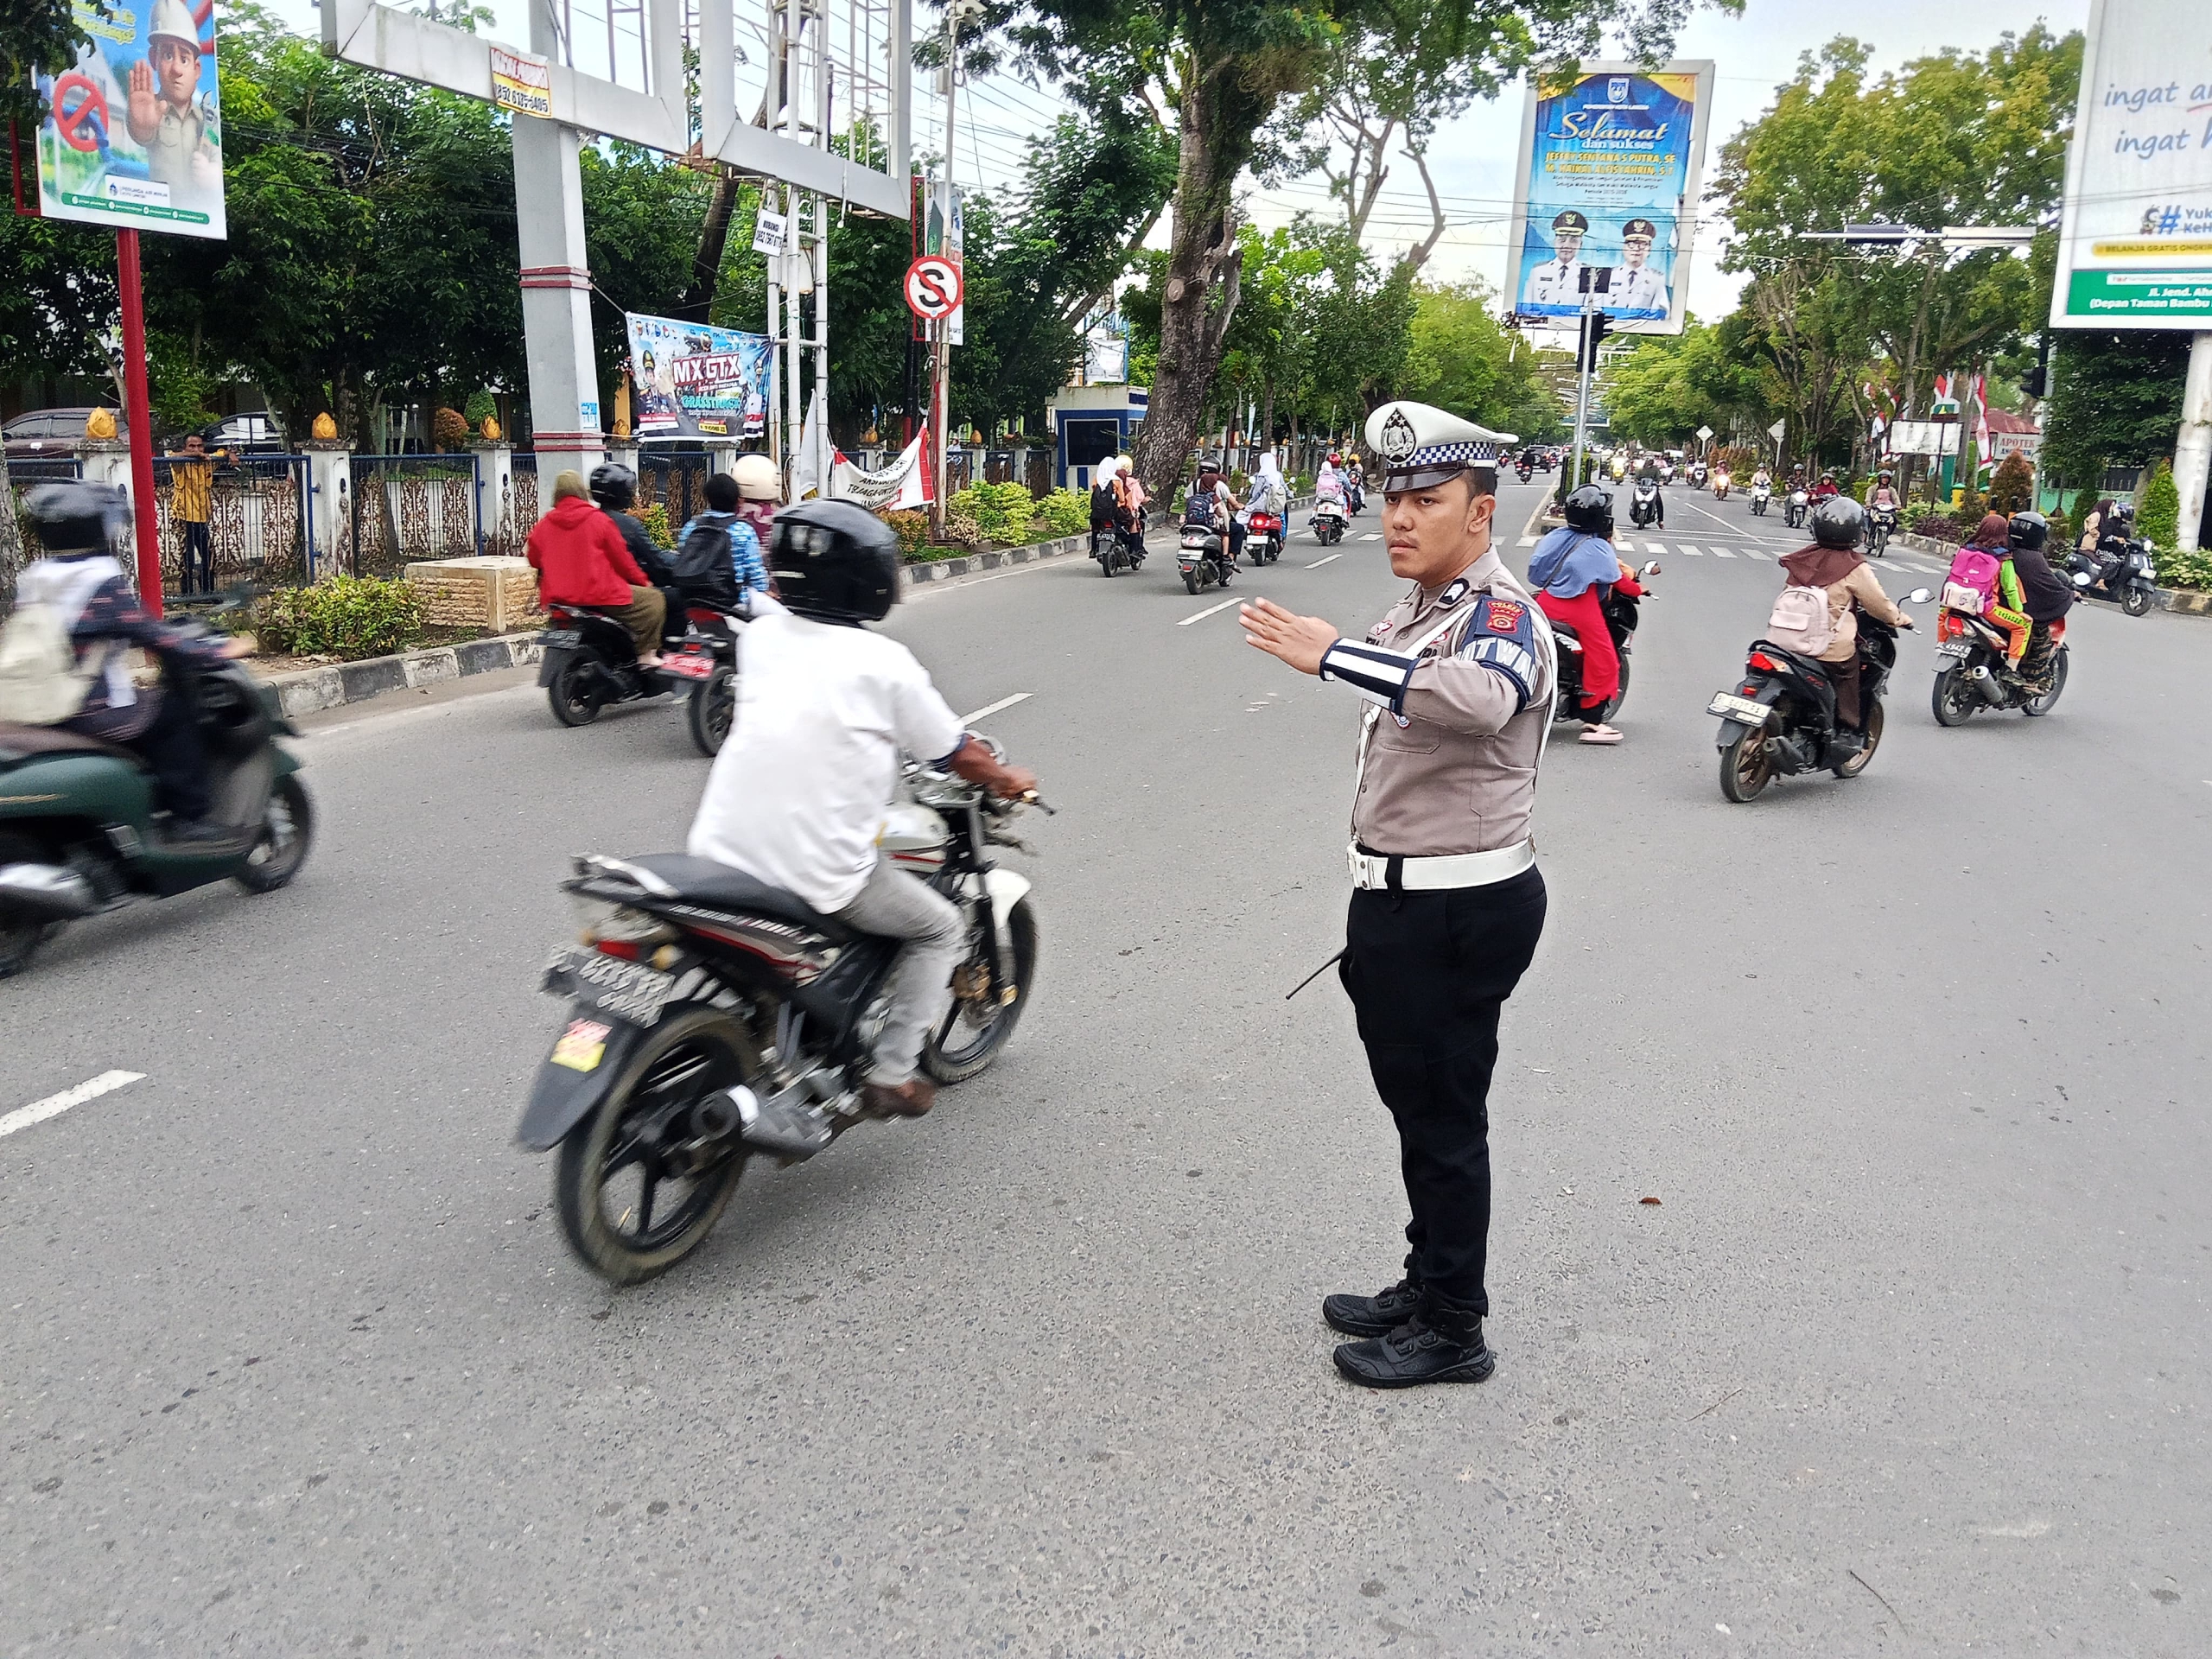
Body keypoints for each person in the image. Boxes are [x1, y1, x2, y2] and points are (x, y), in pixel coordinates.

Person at [1238, 401, 1555, 1389]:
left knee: (1445, 1121)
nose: (1401, 519)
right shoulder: (1420, 612)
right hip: (1397, 903)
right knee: (1415, 1109)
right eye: (1393, 500)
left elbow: (1478, 699)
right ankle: (1427, 1281)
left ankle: (1455, 1326)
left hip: (1459, 910)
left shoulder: (1502, 617)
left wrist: (1332, 654)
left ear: (1481, 515)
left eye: (1427, 500)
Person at [686, 500, 1037, 1119]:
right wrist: (1006, 778)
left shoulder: (764, 638)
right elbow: (957, 753)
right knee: (939, 928)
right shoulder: (883, 664)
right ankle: (893, 1071)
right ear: (869, 579)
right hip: (814, 869)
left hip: (719, 853)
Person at [9, 482, 246, 842]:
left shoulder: (35, 577)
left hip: (33, 702)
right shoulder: (99, 578)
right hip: (91, 707)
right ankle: (189, 819)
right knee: (174, 717)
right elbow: (152, 634)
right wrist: (216, 653)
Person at [1776, 495, 1912, 750]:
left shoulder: (1802, 558)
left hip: (1781, 640)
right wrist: (1900, 619)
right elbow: (1879, 605)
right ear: (1858, 532)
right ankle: (1848, 728)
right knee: (1850, 671)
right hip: (1823, 647)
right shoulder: (1854, 567)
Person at [1529, 486, 1641, 745]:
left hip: (1545, 601)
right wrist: (1640, 589)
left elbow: (1535, 569)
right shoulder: (1599, 548)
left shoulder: (1555, 536)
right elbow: (1620, 581)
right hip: (1579, 607)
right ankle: (1592, 723)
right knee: (1605, 660)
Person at [526, 470, 664, 665]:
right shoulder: (599, 521)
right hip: (598, 595)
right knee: (654, 601)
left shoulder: (544, 525)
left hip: (559, 598)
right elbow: (622, 561)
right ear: (582, 491)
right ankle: (646, 655)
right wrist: (643, 582)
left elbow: (533, 559)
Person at [125, 0, 221, 209]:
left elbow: (216, 155)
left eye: (184, 59)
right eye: (168, 55)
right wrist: (141, 125)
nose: (176, 68)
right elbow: (142, 134)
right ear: (154, 59)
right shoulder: (151, 110)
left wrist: (214, 176)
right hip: (158, 215)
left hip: (199, 218)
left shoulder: (208, 119)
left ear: (196, 69)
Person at [589, 462, 683, 649]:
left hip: (592, 589)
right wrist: (682, 561)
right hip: (620, 589)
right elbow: (656, 558)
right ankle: (665, 651)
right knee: (675, 598)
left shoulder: (590, 519)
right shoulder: (628, 525)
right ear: (622, 493)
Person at [677, 470, 772, 612]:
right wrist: (766, 591)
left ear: (708, 498)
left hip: (692, 600)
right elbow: (755, 572)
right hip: (735, 602)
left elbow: (681, 557)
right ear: (738, 500)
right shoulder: (743, 530)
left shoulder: (690, 527)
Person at [2004, 510, 2073, 692]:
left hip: (1991, 606)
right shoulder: (2033, 559)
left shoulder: (2003, 550)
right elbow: (2048, 587)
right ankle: (2031, 678)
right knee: (2041, 635)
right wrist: (2069, 594)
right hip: (2014, 611)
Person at [164, 431, 230, 596]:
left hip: (201, 516)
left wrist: (230, 454)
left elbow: (222, 453)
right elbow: (172, 457)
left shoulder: (207, 462)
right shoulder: (182, 462)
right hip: (183, 516)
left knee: (209, 556)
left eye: (199, 446)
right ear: (185, 448)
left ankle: (208, 592)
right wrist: (193, 455)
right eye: (191, 446)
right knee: (187, 560)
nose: (196, 449)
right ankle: (187, 595)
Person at [1520, 209, 1588, 312]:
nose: (1567, 245)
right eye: (1562, 240)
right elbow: (1526, 308)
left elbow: (1590, 312)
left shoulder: (1588, 273)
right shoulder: (1538, 271)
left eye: (1574, 241)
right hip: (1540, 326)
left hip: (1574, 327)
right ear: (1554, 242)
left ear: (1580, 245)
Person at [1610, 218, 1669, 315]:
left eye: (1643, 244)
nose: (1637, 249)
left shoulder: (1657, 279)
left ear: (1649, 249)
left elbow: (1659, 312)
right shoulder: (1610, 275)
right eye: (1631, 244)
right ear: (1624, 247)